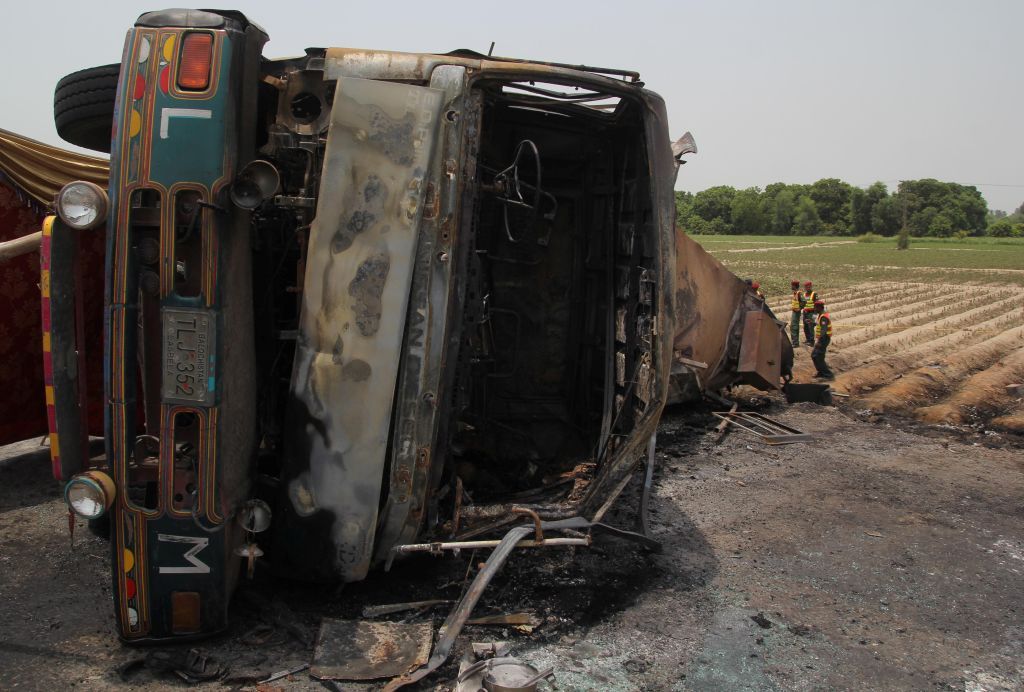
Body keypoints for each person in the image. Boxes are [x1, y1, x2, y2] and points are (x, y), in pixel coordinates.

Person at [811, 299, 834, 379]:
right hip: (823, 339)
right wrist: (812, 323)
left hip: (824, 339)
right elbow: (819, 325)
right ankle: (821, 372)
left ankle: (828, 375)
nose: (814, 309)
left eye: (815, 307)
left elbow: (823, 331)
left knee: (818, 356)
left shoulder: (823, 317)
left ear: (820, 307)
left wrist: (819, 342)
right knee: (815, 356)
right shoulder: (821, 315)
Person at [801, 280, 818, 345]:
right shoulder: (804, 294)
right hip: (805, 313)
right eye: (805, 287)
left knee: (810, 327)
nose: (806, 288)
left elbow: (817, 305)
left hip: (811, 313)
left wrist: (814, 316)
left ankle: (811, 341)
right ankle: (807, 339)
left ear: (810, 286)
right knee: (805, 327)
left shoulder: (814, 294)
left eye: (808, 286)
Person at [789, 279, 804, 345]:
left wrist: (800, 308)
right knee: (793, 326)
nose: (791, 286)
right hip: (794, 311)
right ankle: (794, 341)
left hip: (796, 312)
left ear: (794, 286)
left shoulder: (799, 293)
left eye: (792, 285)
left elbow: (804, 301)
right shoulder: (795, 293)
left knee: (794, 326)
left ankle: (795, 342)